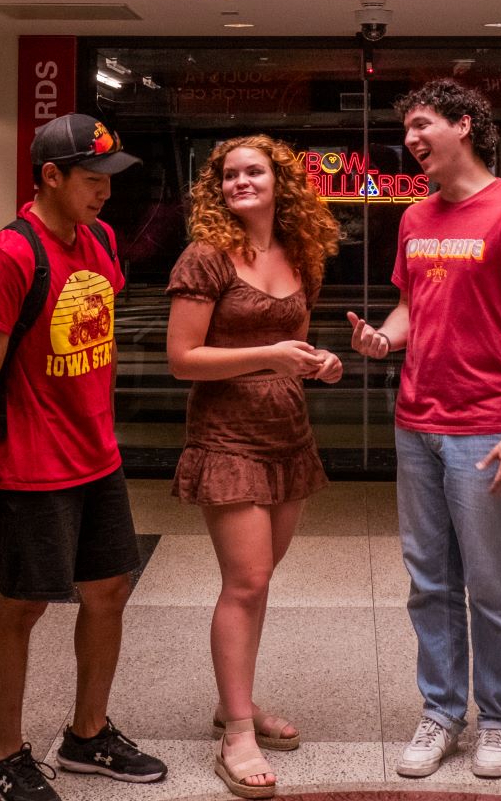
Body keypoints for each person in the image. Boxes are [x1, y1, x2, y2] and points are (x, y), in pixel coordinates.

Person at [0, 113, 168, 801]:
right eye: (93, 179)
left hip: (96, 456)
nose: (105, 193)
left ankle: (86, 734)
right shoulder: (10, 256)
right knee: (24, 604)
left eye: (109, 179)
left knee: (108, 591)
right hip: (32, 467)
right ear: (51, 176)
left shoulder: (99, 239)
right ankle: (6, 756)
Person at [349, 79, 501, 780]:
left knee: (494, 585)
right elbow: (413, 306)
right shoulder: (415, 219)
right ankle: (442, 712)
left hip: (485, 427)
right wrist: (384, 339)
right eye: (406, 128)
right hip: (418, 424)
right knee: (428, 581)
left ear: (463, 125)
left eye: (421, 124)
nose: (410, 139)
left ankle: (500, 720)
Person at [164, 136, 346, 799]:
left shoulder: (301, 253)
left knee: (260, 580)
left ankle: (231, 700)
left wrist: (317, 361)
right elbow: (182, 358)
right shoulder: (207, 256)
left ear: (280, 182)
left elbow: (293, 341)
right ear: (218, 189)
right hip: (226, 435)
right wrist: (271, 354)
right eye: (229, 175)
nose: (241, 182)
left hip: (287, 433)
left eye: (254, 172)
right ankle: (237, 734)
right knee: (245, 580)